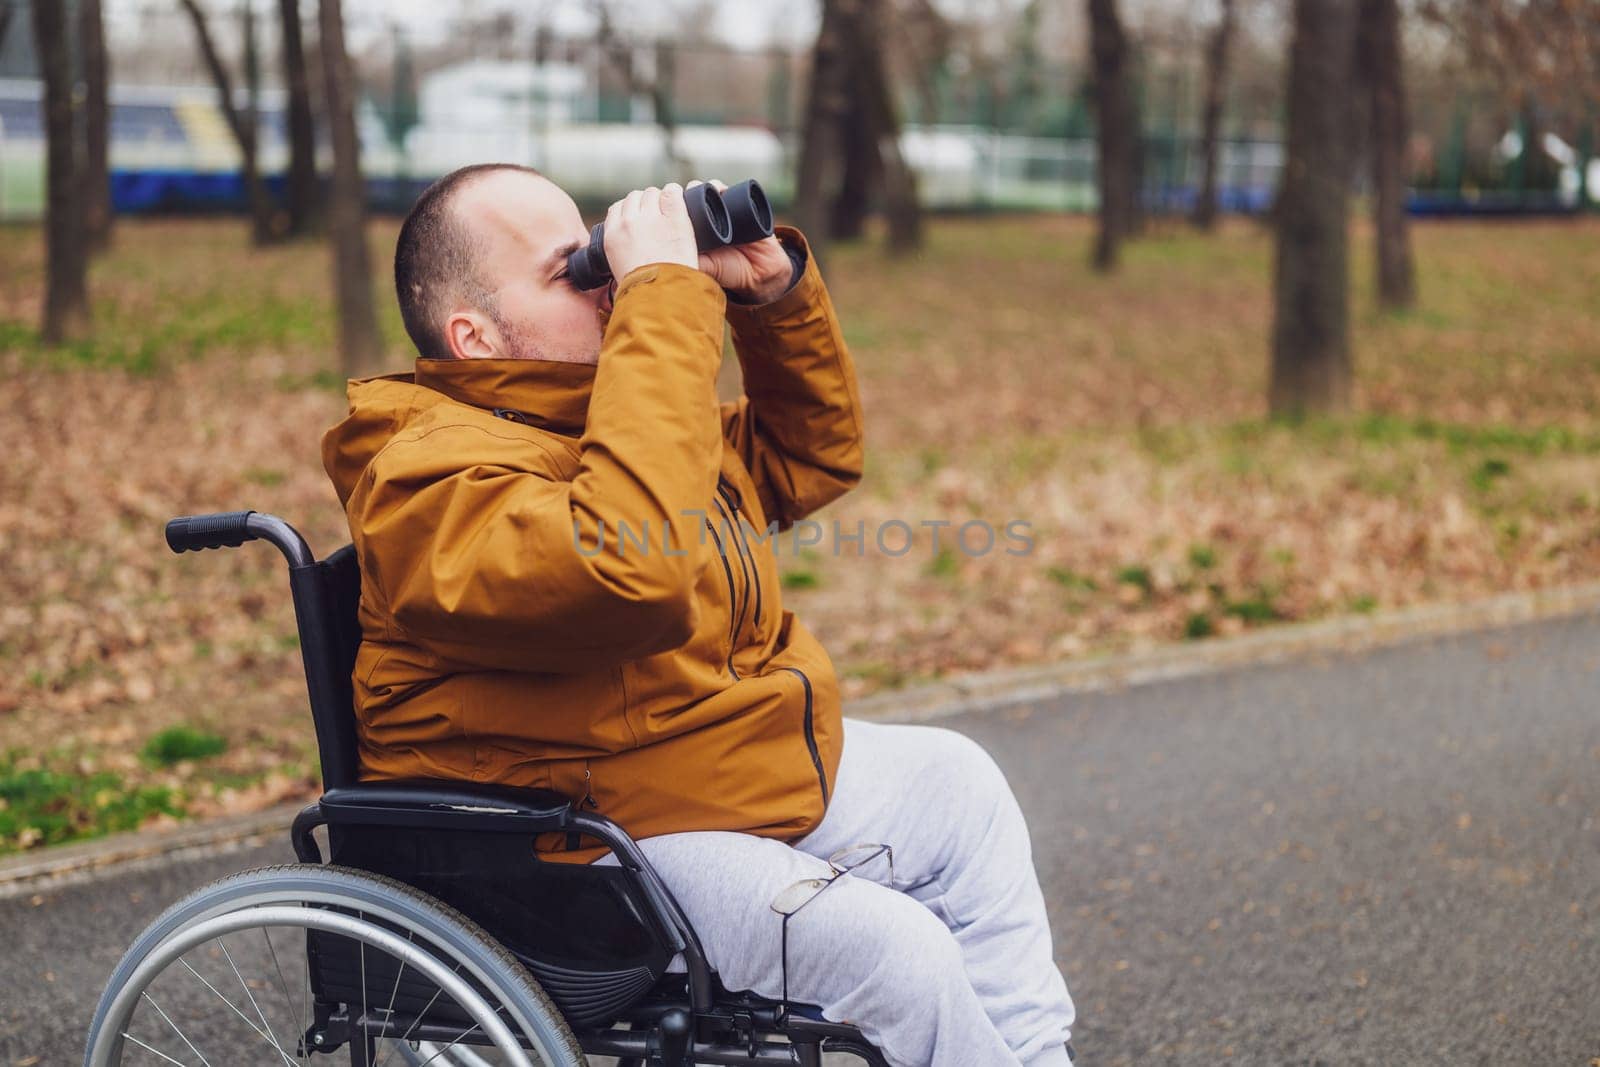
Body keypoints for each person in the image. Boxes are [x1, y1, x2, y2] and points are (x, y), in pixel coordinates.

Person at [321, 163, 1077, 1066]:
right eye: (573, 271)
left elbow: (805, 460)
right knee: (895, 950)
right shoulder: (424, 480)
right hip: (569, 848)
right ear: (474, 335)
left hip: (687, 775)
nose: (607, 282)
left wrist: (770, 297)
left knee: (960, 786)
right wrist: (663, 298)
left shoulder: (597, 424)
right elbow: (624, 571)